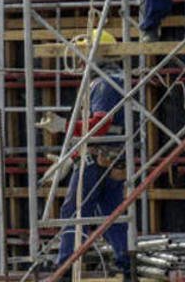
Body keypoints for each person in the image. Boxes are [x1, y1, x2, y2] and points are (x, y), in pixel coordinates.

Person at [41, 31, 131, 281]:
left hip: (99, 157)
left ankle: (66, 266)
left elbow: (100, 125)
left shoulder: (103, 83)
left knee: (74, 211)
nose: (80, 60)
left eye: (84, 53)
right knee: (110, 211)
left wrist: (66, 127)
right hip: (113, 157)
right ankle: (126, 261)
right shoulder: (116, 78)